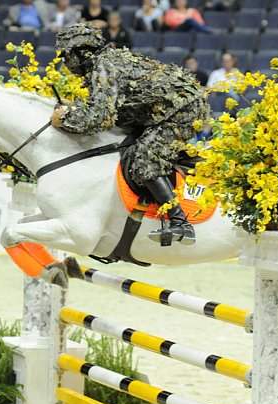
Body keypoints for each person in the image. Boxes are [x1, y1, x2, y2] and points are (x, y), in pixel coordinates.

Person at [50, 24, 209, 245]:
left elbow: (99, 117)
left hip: (181, 110)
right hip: (161, 111)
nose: (66, 62)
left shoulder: (104, 66)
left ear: (81, 52)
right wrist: (77, 106)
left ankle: (180, 222)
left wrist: (64, 120)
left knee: (145, 157)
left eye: (67, 55)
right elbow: (109, 108)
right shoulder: (104, 63)